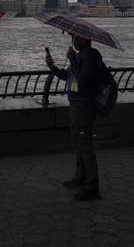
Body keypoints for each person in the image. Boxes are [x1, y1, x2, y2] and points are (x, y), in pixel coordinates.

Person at [45, 35, 103, 201]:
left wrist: (71, 60)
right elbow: (68, 76)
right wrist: (53, 68)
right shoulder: (80, 56)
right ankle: (80, 177)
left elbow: (83, 79)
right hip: (75, 105)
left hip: (84, 107)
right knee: (78, 144)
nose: (72, 40)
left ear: (84, 39)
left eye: (75, 37)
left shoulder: (92, 56)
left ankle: (92, 186)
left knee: (86, 146)